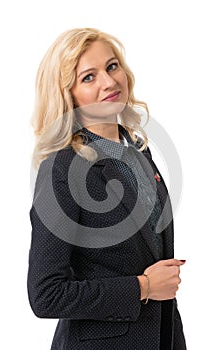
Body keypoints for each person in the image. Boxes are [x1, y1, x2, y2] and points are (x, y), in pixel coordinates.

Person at [27, 27, 187, 350]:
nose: (109, 82)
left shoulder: (138, 153)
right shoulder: (62, 169)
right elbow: (46, 294)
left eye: (112, 67)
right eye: (89, 77)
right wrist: (142, 287)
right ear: (67, 94)